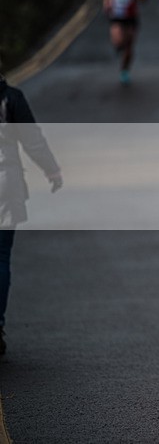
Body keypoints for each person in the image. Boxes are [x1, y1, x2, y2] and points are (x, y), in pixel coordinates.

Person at [0, 74, 63, 356]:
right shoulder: (10, 98)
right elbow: (32, 138)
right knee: (1, 257)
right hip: (6, 184)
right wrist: (51, 169)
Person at [103, 0, 148, 85]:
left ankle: (124, 70)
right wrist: (106, 4)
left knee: (129, 46)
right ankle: (119, 48)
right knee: (118, 41)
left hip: (131, 16)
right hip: (117, 16)